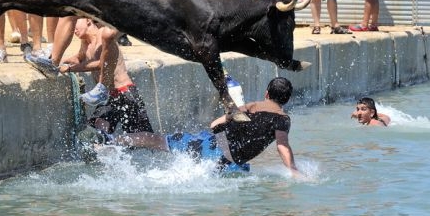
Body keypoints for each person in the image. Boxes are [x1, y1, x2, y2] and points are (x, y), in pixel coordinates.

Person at [109, 77, 303, 178]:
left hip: (209, 144)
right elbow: (282, 145)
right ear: (287, 99)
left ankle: (112, 142)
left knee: (158, 141)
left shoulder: (251, 106)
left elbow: (215, 124)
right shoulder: (282, 118)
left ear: (267, 93)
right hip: (225, 160)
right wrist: (292, 169)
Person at [64, 17, 153, 135]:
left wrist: (70, 69)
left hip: (124, 92)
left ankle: (174, 142)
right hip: (107, 97)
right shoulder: (85, 42)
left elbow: (101, 64)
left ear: (88, 20)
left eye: (75, 23)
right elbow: (78, 58)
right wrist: (57, 62)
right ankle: (106, 148)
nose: (73, 29)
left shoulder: (103, 35)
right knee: (95, 134)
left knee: (142, 138)